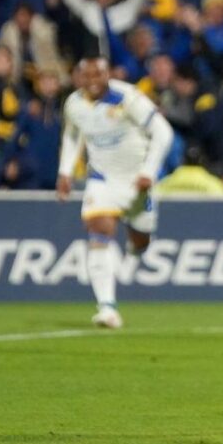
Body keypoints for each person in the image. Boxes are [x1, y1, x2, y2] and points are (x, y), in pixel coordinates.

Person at [56, 56, 174, 328]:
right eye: (88, 75)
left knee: (141, 239)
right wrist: (65, 171)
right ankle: (107, 307)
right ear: (79, 78)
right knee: (98, 227)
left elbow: (163, 132)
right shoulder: (74, 104)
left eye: (99, 74)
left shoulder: (127, 97)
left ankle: (133, 251)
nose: (94, 81)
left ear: (108, 74)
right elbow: (73, 134)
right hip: (102, 178)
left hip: (137, 180)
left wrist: (149, 171)